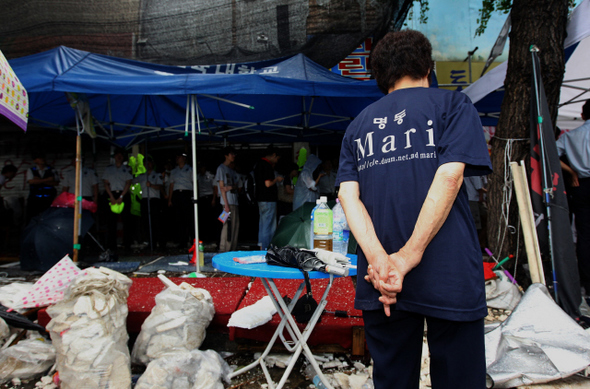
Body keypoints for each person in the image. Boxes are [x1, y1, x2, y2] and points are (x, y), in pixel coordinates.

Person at [336, 30, 492, 389]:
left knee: (392, 378)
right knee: (459, 380)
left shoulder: (358, 126)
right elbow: (450, 176)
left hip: (380, 281)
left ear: (379, 76)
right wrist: (405, 258)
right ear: (428, 67)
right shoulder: (453, 105)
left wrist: (380, 262)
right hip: (447, 271)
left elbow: (347, 196)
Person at [557, 99, 590, 295]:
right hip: (582, 183)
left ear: (583, 115)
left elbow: (550, 151)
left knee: (584, 236)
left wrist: (571, 171)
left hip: (582, 185)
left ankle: (587, 284)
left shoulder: (573, 136)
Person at [102, 148, 133, 251]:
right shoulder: (108, 169)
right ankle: (111, 246)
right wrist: (111, 197)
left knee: (127, 221)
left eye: (121, 155)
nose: (119, 157)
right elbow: (106, 183)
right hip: (112, 194)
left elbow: (128, 183)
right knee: (111, 222)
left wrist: (121, 196)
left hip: (123, 194)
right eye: (117, 155)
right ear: (114, 157)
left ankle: (127, 245)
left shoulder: (127, 168)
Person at [253, 146, 284, 250]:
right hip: (268, 199)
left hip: (260, 199)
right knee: (269, 226)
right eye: (277, 159)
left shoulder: (258, 164)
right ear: (274, 155)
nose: (276, 161)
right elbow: (268, 183)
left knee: (263, 224)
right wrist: (277, 179)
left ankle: (261, 245)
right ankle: (266, 248)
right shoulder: (267, 165)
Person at [135, 156, 164, 249]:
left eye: (149, 162)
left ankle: (160, 243)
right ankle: (151, 243)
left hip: (154, 200)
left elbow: (160, 186)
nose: (147, 164)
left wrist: (151, 185)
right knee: (146, 222)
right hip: (145, 200)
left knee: (156, 222)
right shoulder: (142, 176)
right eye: (145, 163)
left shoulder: (157, 175)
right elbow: (131, 181)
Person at [215, 146, 240, 252]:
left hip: (234, 201)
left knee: (235, 226)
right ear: (226, 155)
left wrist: (231, 187)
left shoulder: (231, 170)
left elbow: (234, 185)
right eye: (231, 154)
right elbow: (221, 188)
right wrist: (226, 204)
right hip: (227, 202)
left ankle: (232, 249)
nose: (233, 156)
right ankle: (224, 249)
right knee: (227, 227)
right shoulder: (221, 168)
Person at [168, 152, 194, 249]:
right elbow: (171, 185)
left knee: (189, 218)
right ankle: (182, 241)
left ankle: (192, 240)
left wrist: (195, 196)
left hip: (187, 194)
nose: (178, 158)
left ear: (184, 158)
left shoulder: (190, 169)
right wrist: (170, 199)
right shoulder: (173, 171)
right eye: (177, 157)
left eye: (180, 157)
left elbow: (194, 182)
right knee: (179, 219)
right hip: (177, 194)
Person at [26, 152, 59, 222]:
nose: (42, 160)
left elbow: (56, 182)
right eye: (39, 158)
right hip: (34, 199)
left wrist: (39, 180)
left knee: (48, 217)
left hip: (48, 198)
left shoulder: (51, 169)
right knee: (32, 217)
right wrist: (47, 180)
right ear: (35, 160)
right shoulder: (31, 170)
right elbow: (31, 181)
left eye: (43, 158)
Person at [197, 161, 218, 244]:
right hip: (202, 198)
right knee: (203, 219)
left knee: (210, 218)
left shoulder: (210, 176)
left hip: (209, 197)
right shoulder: (198, 176)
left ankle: (211, 237)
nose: (201, 169)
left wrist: (213, 199)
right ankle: (204, 238)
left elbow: (214, 188)